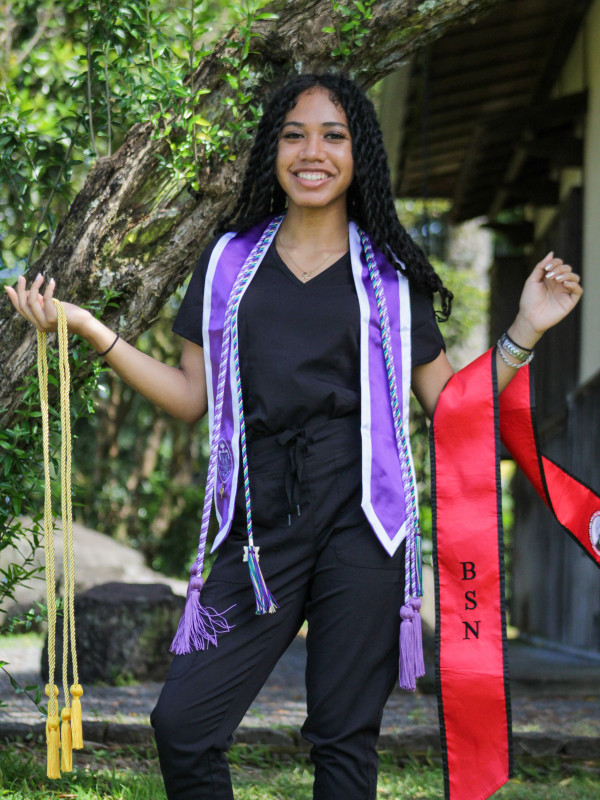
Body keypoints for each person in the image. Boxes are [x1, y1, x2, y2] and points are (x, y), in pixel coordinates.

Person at [5, 72, 582, 800]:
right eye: (294, 134)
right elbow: (190, 397)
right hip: (254, 524)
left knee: (343, 744)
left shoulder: (390, 276)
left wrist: (525, 330)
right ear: (273, 150)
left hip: (364, 522)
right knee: (182, 724)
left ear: (358, 153)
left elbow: (451, 409)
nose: (313, 151)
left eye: (333, 135)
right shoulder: (227, 263)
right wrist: (89, 329)